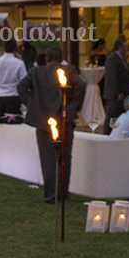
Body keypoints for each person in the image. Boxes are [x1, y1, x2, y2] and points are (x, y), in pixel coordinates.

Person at [18, 46, 86, 203]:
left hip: (43, 121)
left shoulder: (36, 72)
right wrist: (71, 108)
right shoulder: (68, 70)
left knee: (47, 159)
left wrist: (32, 105)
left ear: (46, 58)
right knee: (64, 158)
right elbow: (81, 85)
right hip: (63, 120)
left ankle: (51, 194)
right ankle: (63, 193)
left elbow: (21, 87)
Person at [0, 38, 27, 120]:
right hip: (14, 96)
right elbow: (24, 81)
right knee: (13, 124)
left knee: (1, 122)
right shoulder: (19, 63)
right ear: (15, 49)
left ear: (4, 48)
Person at [102, 36, 129, 134]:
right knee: (111, 115)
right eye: (125, 46)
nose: (127, 48)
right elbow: (112, 77)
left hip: (122, 94)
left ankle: (115, 133)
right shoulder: (112, 58)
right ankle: (107, 135)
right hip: (114, 95)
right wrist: (117, 92)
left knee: (117, 115)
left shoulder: (122, 58)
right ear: (120, 46)